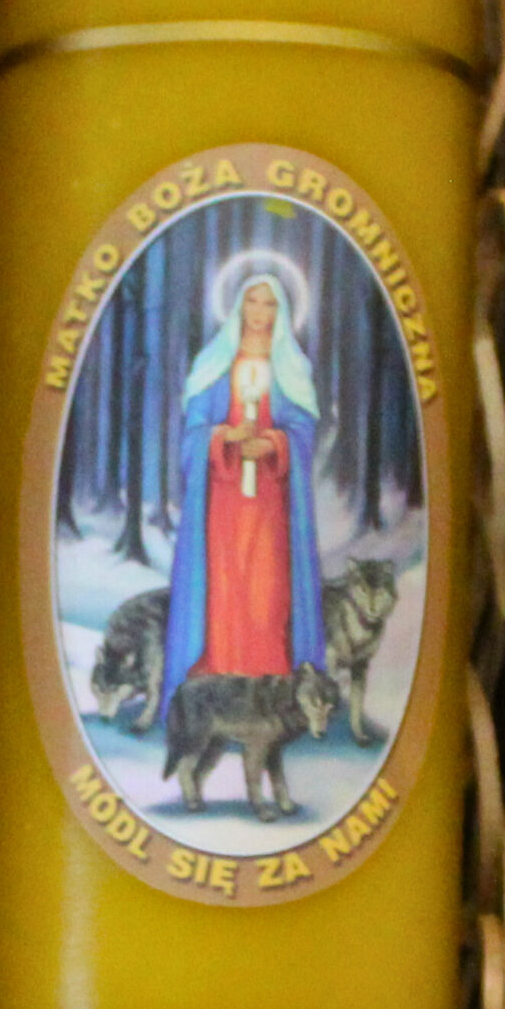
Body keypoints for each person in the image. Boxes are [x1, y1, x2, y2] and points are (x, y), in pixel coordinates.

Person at [159, 273, 327, 719]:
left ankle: (268, 687)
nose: (259, 312)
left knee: (267, 592)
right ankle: (221, 685)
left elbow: (303, 432)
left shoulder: (290, 366)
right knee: (225, 588)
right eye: (252, 301)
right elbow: (193, 432)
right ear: (238, 307)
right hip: (223, 502)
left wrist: (274, 444)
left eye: (269, 303)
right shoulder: (215, 363)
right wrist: (225, 437)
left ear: (281, 312)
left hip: (271, 504)